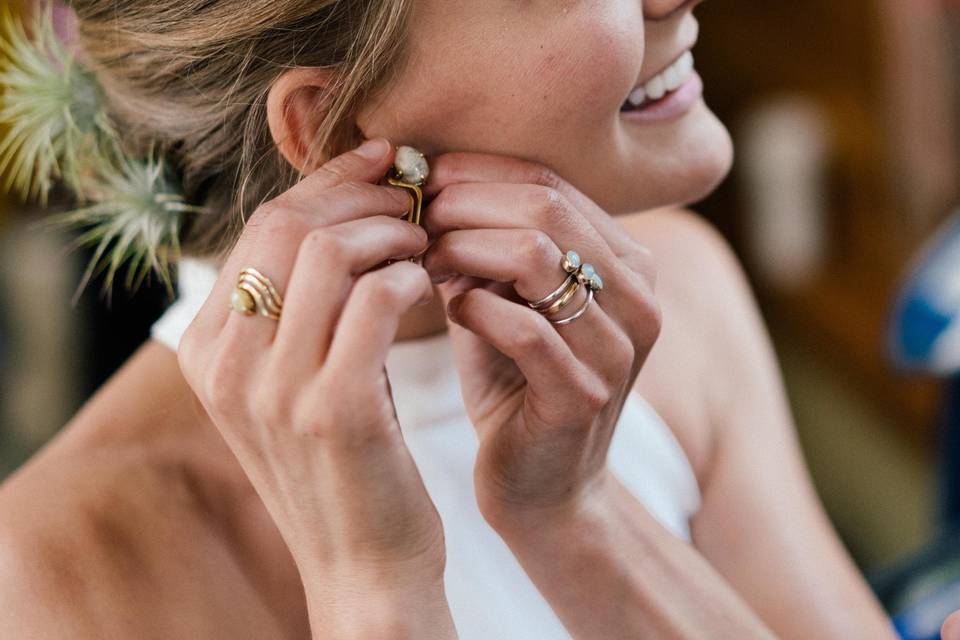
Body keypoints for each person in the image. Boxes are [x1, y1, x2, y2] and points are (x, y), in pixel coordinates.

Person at [0, 0, 902, 637]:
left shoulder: (669, 293)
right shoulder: (50, 572)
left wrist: (578, 518)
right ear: (338, 131)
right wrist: (374, 589)